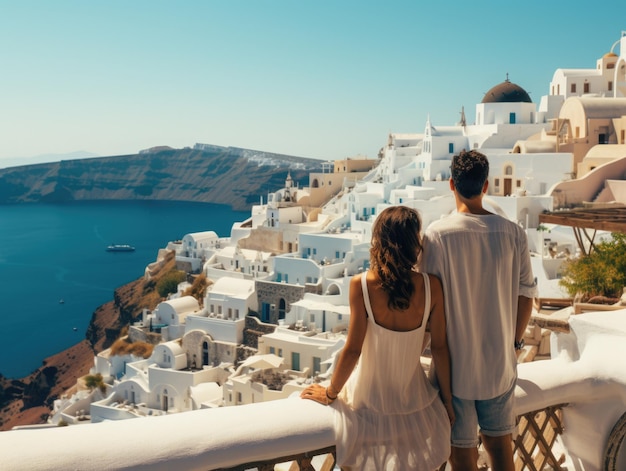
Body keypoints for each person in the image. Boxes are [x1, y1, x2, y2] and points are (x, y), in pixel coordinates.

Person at [301, 205, 454, 470]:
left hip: (365, 403)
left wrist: (330, 392)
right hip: (415, 402)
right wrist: (449, 402)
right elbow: (440, 348)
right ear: (413, 243)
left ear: (379, 240)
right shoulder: (432, 287)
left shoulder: (361, 285)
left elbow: (352, 350)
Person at [420, 150, 537, 471]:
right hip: (499, 365)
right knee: (501, 450)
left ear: (451, 184)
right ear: (486, 185)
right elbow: (526, 295)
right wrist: (513, 341)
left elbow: (428, 300)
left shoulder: (436, 235)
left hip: (455, 371)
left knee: (462, 456)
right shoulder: (513, 232)